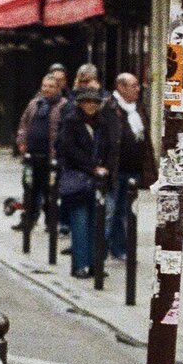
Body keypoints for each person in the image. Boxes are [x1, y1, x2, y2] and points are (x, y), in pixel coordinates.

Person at [55, 82, 109, 278]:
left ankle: (95, 264)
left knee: (97, 223)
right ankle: (79, 265)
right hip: (78, 178)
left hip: (98, 179)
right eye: (87, 102)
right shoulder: (71, 121)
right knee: (79, 222)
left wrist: (107, 167)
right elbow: (67, 149)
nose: (91, 105)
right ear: (80, 103)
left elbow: (109, 147)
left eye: (94, 102)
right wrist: (92, 167)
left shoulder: (102, 123)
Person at [99, 71, 149, 270]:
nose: (138, 89)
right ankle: (100, 251)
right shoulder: (109, 107)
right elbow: (104, 139)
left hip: (133, 169)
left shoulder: (137, 108)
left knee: (126, 212)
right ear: (120, 87)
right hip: (115, 169)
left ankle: (119, 248)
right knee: (110, 211)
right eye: (134, 85)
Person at [13, 69, 66, 236]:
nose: (47, 89)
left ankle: (51, 223)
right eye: (44, 86)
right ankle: (28, 220)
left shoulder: (63, 106)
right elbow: (23, 124)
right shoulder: (35, 104)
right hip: (31, 156)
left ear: (58, 88)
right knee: (29, 189)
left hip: (51, 157)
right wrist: (21, 142)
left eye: (51, 86)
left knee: (50, 191)